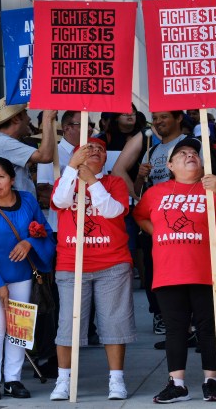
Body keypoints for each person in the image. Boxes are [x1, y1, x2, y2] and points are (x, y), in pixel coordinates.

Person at [133, 137, 216, 403]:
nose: (190, 155)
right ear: (171, 165)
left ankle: (211, 380)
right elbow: (139, 215)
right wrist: (159, 234)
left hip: (208, 270)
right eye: (182, 153)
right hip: (168, 271)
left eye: (194, 153)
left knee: (208, 327)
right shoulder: (156, 192)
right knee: (175, 329)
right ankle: (177, 384)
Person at [49, 138, 135, 401]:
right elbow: (61, 201)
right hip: (71, 263)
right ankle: (63, 380)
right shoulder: (65, 181)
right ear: (76, 156)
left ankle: (116, 380)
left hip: (112, 263)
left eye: (99, 149)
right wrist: (72, 171)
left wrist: (94, 182)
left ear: (106, 159)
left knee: (114, 323)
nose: (94, 151)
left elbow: (113, 211)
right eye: (87, 148)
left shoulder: (115, 183)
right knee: (68, 325)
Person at [0, 157, 55, 400]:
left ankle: (13, 379)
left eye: (0, 177)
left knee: (19, 327)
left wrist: (29, 242)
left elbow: (45, 232)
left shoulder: (28, 200)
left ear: (12, 179)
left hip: (21, 273)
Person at [112, 110, 186, 337]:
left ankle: (186, 317)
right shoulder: (151, 150)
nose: (159, 122)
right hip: (155, 221)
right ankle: (160, 314)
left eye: (164, 117)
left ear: (178, 118)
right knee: (155, 270)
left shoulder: (192, 144)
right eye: (156, 118)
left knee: (184, 268)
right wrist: (141, 177)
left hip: (184, 219)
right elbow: (137, 190)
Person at [0, 98, 57, 197]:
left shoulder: (3, 141)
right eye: (26, 113)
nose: (29, 119)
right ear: (16, 119)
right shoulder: (3, 142)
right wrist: (47, 119)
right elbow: (45, 156)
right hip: (15, 210)